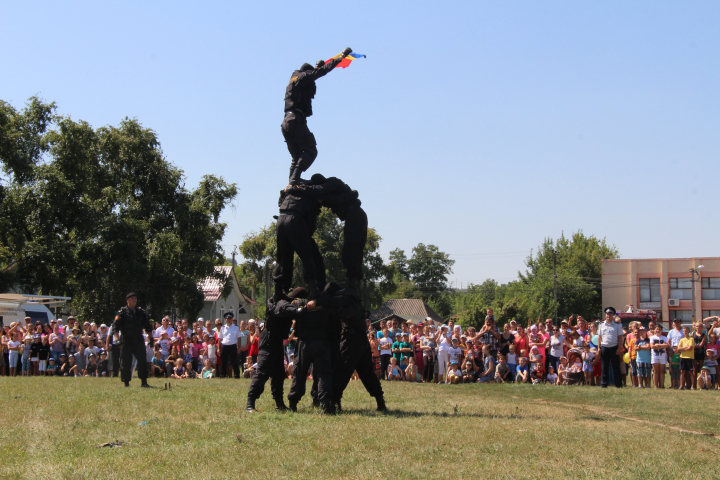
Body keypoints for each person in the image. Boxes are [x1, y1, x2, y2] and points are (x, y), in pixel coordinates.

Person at [282, 48, 353, 184]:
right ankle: (295, 179)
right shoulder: (304, 76)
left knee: (297, 156)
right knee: (310, 151)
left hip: (286, 122)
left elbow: (308, 81)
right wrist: (341, 57)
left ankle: (291, 184)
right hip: (296, 119)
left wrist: (315, 68)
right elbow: (320, 73)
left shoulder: (294, 79)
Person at [289, 175, 365, 297]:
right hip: (354, 216)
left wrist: (297, 189)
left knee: (352, 250)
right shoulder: (335, 192)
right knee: (351, 250)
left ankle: (353, 287)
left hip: (354, 215)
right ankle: (354, 286)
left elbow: (318, 190)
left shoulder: (333, 182)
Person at [246, 288, 310, 413]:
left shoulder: (285, 302)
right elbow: (291, 310)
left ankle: (279, 403)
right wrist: (304, 308)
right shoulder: (282, 304)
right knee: (263, 372)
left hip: (277, 341)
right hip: (269, 340)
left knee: (278, 374)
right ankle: (250, 402)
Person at [109, 293, 154, 388]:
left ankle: (144, 382)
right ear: (127, 300)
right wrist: (117, 340)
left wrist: (151, 338)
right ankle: (126, 383)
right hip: (126, 340)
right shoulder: (122, 312)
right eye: (132, 298)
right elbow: (115, 327)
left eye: (135, 298)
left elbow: (147, 326)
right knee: (126, 362)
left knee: (142, 360)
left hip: (138, 339)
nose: (134, 299)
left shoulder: (141, 312)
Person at [597, 307, 625, 388]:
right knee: (604, 366)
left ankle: (618, 384)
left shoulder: (617, 325)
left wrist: (619, 348)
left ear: (613, 315)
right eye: (607, 314)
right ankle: (604, 383)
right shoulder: (601, 325)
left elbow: (620, 337)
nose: (608, 315)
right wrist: (599, 347)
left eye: (610, 314)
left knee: (616, 366)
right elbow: (599, 337)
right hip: (604, 347)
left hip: (614, 347)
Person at [219, 313, 241, 379]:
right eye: (227, 319)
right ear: (225, 320)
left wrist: (239, 348)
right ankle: (222, 375)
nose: (228, 320)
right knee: (224, 361)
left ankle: (237, 375)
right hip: (224, 345)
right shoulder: (222, 328)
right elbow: (220, 338)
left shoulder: (236, 328)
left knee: (234, 361)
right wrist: (218, 348)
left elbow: (239, 337)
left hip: (233, 345)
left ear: (231, 319)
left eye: (230, 319)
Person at [678, 326, 696, 390]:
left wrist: (683, 349)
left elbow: (690, 347)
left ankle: (693, 386)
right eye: (683, 331)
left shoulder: (691, 339)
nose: (684, 332)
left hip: (689, 357)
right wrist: (685, 348)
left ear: (689, 331)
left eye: (686, 331)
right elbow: (679, 348)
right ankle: (681, 386)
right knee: (682, 371)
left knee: (691, 372)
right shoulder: (682, 340)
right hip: (682, 357)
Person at [692, 321, 707, 390]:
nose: (698, 327)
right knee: (694, 370)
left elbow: (701, 345)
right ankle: (694, 386)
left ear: (702, 327)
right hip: (694, 353)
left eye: (699, 326)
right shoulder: (692, 334)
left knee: (702, 370)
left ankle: (702, 385)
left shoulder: (704, 335)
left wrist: (693, 346)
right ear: (695, 327)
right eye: (697, 326)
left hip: (701, 353)